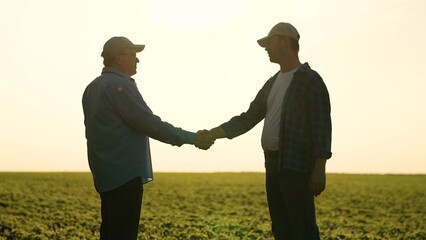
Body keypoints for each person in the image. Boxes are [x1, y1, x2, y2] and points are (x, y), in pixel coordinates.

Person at [82, 36, 214, 240]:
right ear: (119, 57)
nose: (137, 60)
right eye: (133, 55)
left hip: (104, 174)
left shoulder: (92, 88)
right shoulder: (120, 86)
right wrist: (193, 138)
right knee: (123, 234)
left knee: (109, 231)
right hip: (124, 174)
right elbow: (150, 123)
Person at [209, 22, 332, 239]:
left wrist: (319, 168)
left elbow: (322, 126)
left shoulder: (310, 79)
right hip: (272, 163)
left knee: (302, 228)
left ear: (285, 42)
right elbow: (248, 117)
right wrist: (213, 133)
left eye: (269, 42)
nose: (266, 48)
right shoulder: (272, 82)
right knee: (281, 229)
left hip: (296, 166)